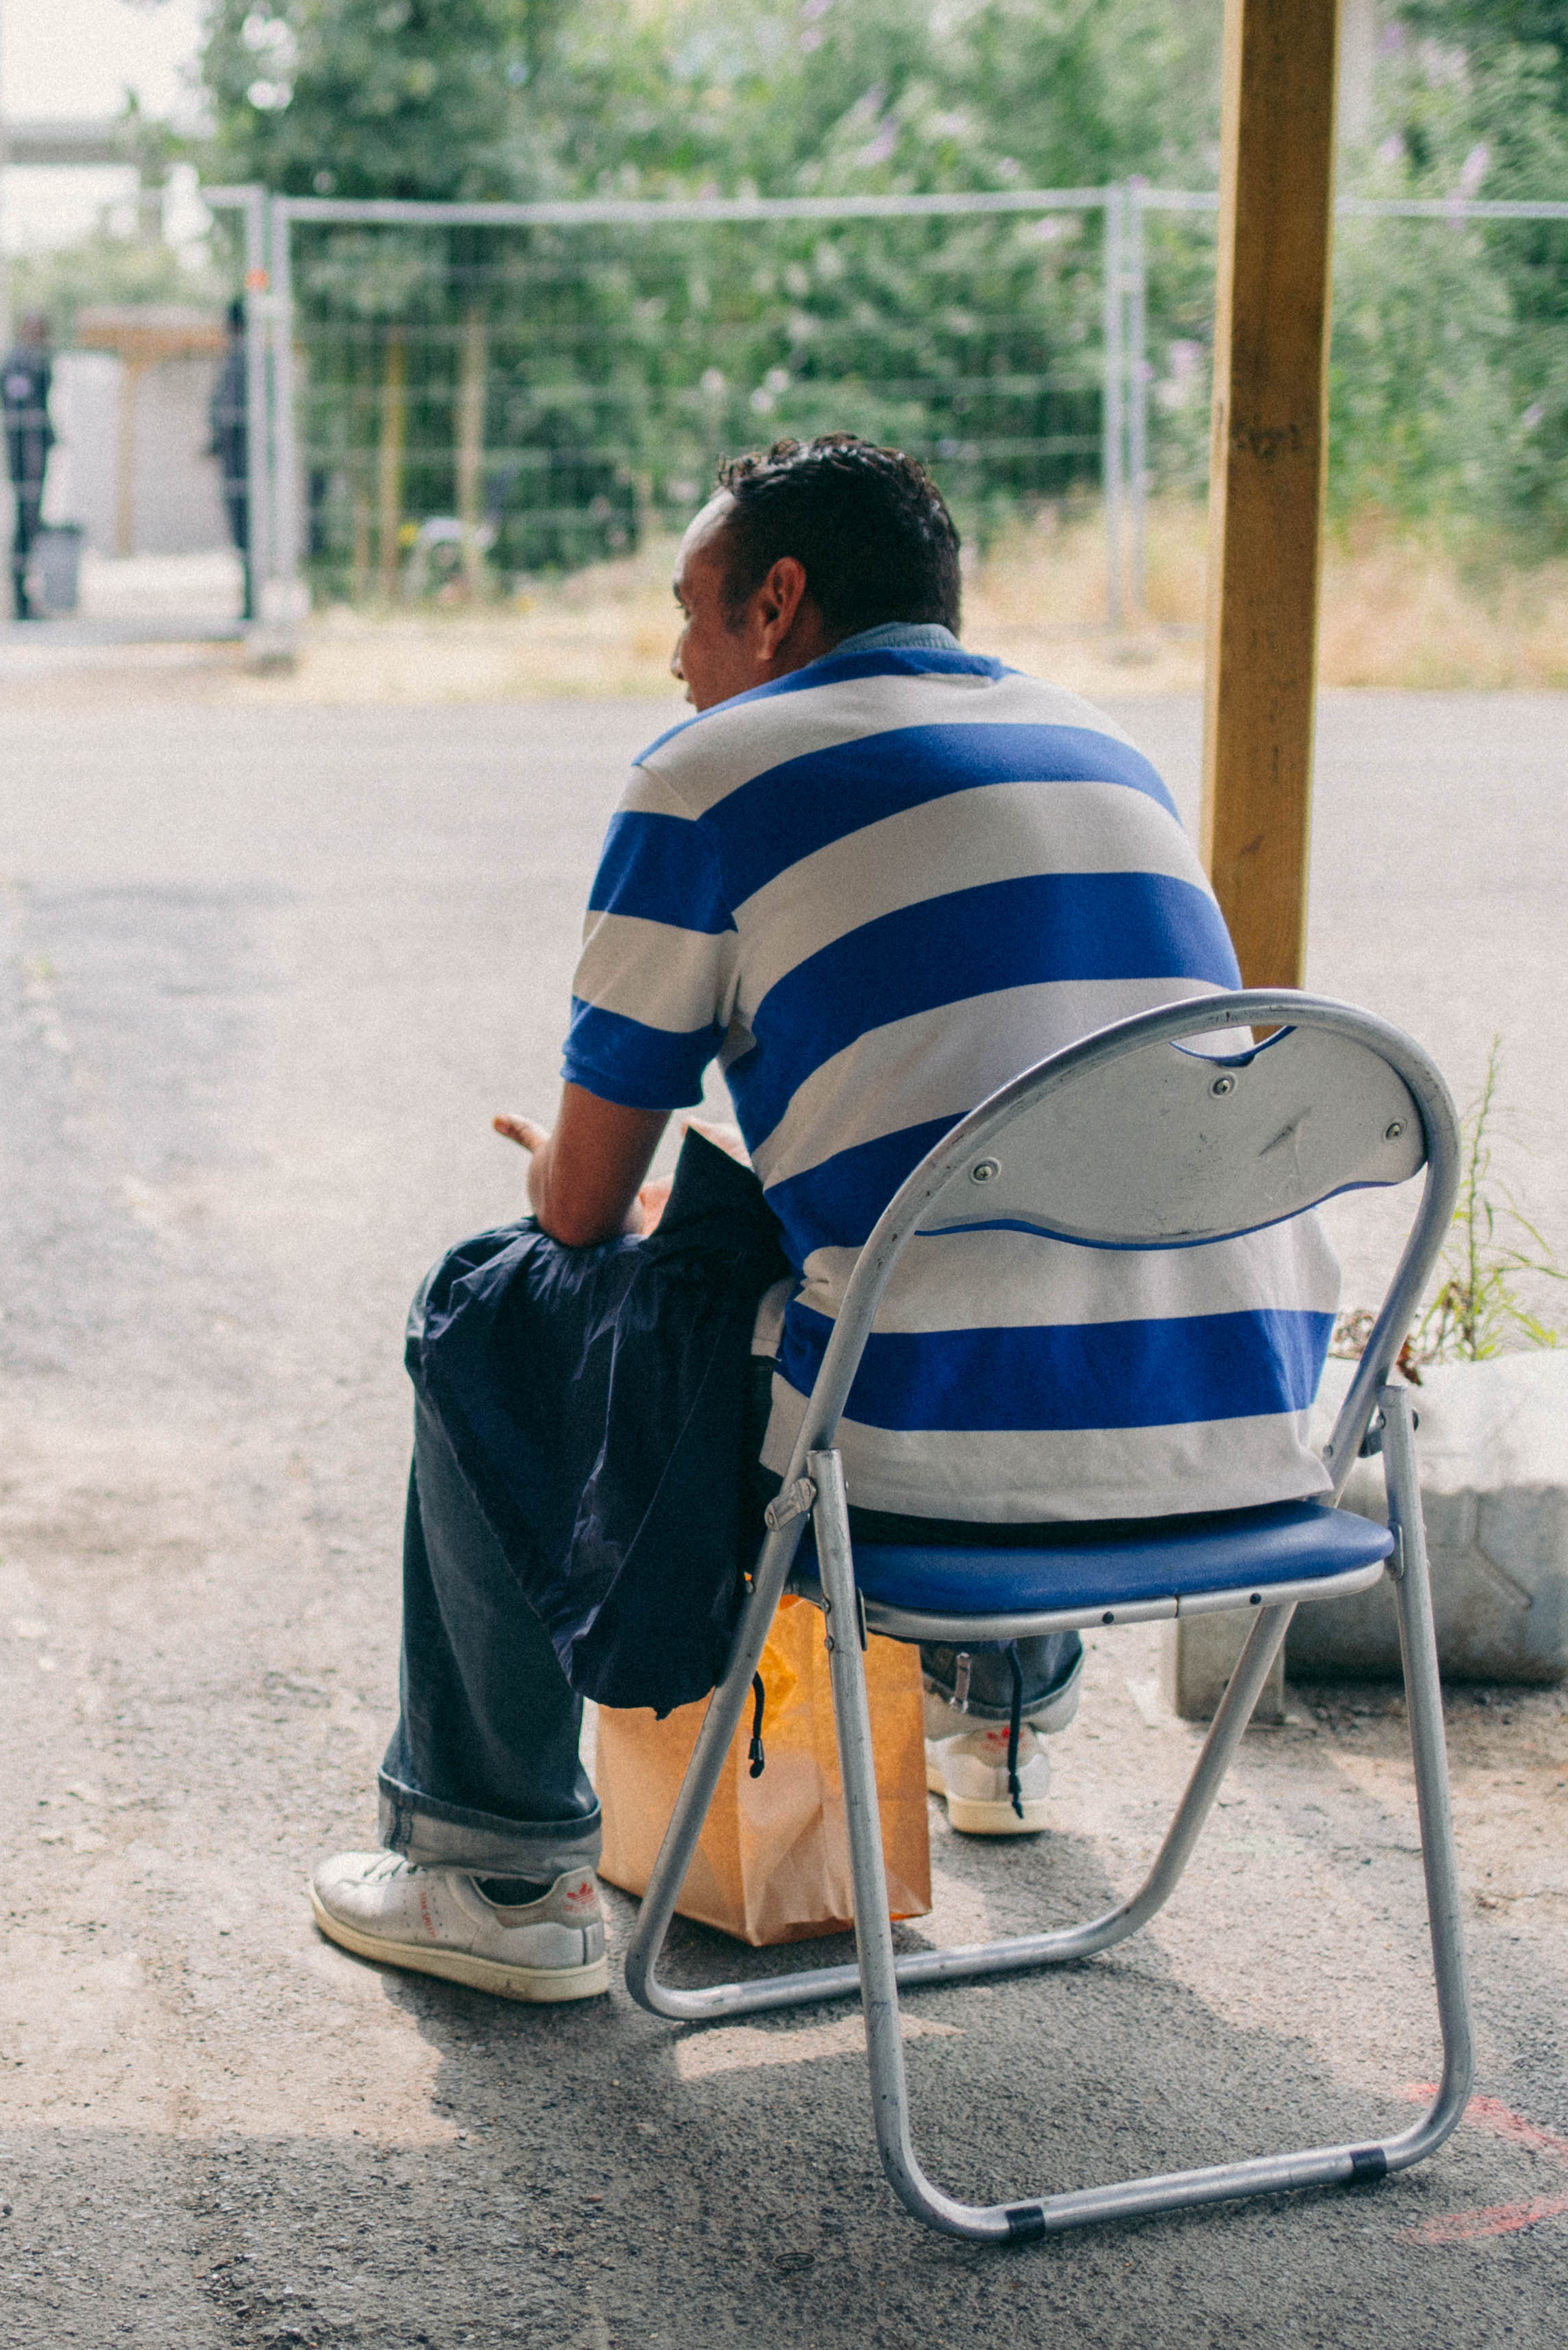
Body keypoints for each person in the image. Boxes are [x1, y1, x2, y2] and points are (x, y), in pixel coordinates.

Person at [310, 435, 1340, 2004]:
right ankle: (1005, 1712)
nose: (674, 657)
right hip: (1249, 1442)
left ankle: (491, 1868)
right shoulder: (1106, 753)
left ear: (777, 601)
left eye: (690, 609)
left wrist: (582, 1182)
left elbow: (582, 1208)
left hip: (927, 1475)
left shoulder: (710, 776)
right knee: (977, 1265)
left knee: (491, 1297)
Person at [0, 310, 57, 619]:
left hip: (33, 453)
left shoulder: (35, 361)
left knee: (30, 523)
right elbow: (20, 415)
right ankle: (20, 599)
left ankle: (26, 597)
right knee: (25, 521)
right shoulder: (18, 364)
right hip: (24, 455)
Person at [208, 294, 255, 621]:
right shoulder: (244, 357)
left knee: (244, 529)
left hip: (239, 458)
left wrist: (218, 439)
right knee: (244, 530)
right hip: (238, 454)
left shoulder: (240, 358)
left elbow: (230, 411)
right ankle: (250, 600)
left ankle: (252, 602)